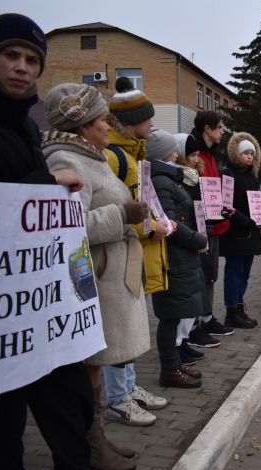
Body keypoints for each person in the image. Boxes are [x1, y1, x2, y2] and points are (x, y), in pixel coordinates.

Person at [0, 13, 97, 470]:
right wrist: (50, 182)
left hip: (44, 311)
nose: (21, 67)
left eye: (32, 60)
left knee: (71, 411)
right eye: (10, 55)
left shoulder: (26, 129)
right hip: (5, 322)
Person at [42, 82, 152, 470]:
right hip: (90, 280)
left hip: (105, 276)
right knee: (88, 366)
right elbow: (68, 226)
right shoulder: (65, 163)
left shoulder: (91, 157)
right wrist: (123, 216)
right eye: (102, 119)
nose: (108, 126)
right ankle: (89, 444)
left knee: (96, 366)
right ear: (83, 125)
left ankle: (98, 437)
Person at [102, 76, 169, 429]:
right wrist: (148, 227)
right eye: (147, 118)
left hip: (133, 252)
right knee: (118, 328)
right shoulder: (114, 158)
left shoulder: (132, 153)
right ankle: (117, 399)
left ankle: (128, 387)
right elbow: (115, 208)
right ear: (130, 123)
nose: (152, 124)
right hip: (117, 255)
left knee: (130, 324)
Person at [146, 129, 207, 388]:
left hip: (182, 256)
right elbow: (169, 221)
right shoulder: (162, 181)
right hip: (174, 257)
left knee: (176, 312)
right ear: (165, 153)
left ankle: (174, 364)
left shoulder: (170, 178)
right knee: (170, 316)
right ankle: (169, 369)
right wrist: (198, 240)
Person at [188, 111, 234, 347]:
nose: (222, 131)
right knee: (199, 276)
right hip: (200, 226)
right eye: (219, 127)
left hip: (214, 225)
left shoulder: (212, 156)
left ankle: (206, 317)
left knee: (210, 275)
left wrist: (222, 209)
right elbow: (194, 191)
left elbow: (212, 190)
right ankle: (195, 324)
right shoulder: (194, 153)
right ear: (207, 128)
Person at [220, 132, 261, 329]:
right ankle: (231, 312)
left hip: (251, 232)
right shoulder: (228, 174)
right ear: (237, 154)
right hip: (235, 233)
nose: (249, 157)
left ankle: (239, 307)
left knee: (245, 273)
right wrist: (244, 220)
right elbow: (225, 207)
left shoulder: (252, 177)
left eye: (252, 154)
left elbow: (258, 202)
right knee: (234, 273)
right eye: (245, 153)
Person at [172, 132, 207, 365]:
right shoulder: (177, 180)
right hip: (184, 242)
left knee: (194, 294)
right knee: (183, 299)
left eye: (196, 154)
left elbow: (199, 208)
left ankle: (183, 340)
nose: (195, 159)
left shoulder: (195, 179)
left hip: (196, 238)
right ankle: (176, 345)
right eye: (191, 154)